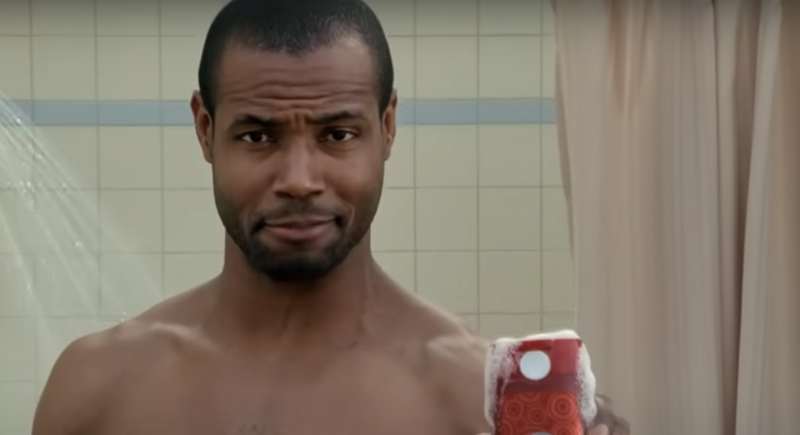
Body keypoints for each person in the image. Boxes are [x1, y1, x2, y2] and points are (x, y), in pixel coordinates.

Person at [32, 0, 629, 434]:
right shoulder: (97, 387)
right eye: (258, 136)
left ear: (387, 127)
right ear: (205, 129)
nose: (299, 179)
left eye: (337, 134)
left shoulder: (474, 397)